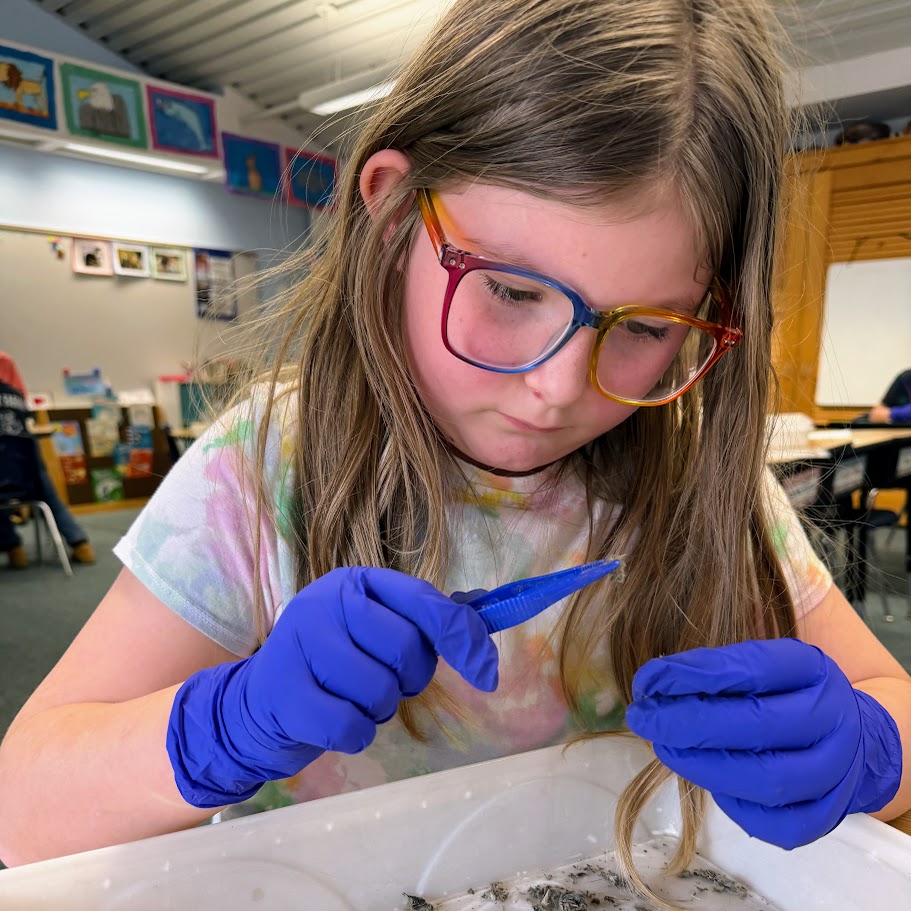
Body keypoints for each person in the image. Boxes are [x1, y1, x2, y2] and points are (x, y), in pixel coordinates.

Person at [0, 0, 907, 896]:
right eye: (511, 292)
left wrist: (868, 750)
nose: (556, 386)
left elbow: (891, 706)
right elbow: (21, 808)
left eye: (644, 327)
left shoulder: (699, 473)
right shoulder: (263, 466)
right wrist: (223, 725)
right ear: (394, 215)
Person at [0, 353, 96, 568]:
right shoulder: (15, 394)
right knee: (47, 492)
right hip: (27, 473)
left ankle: (14, 548)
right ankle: (80, 542)